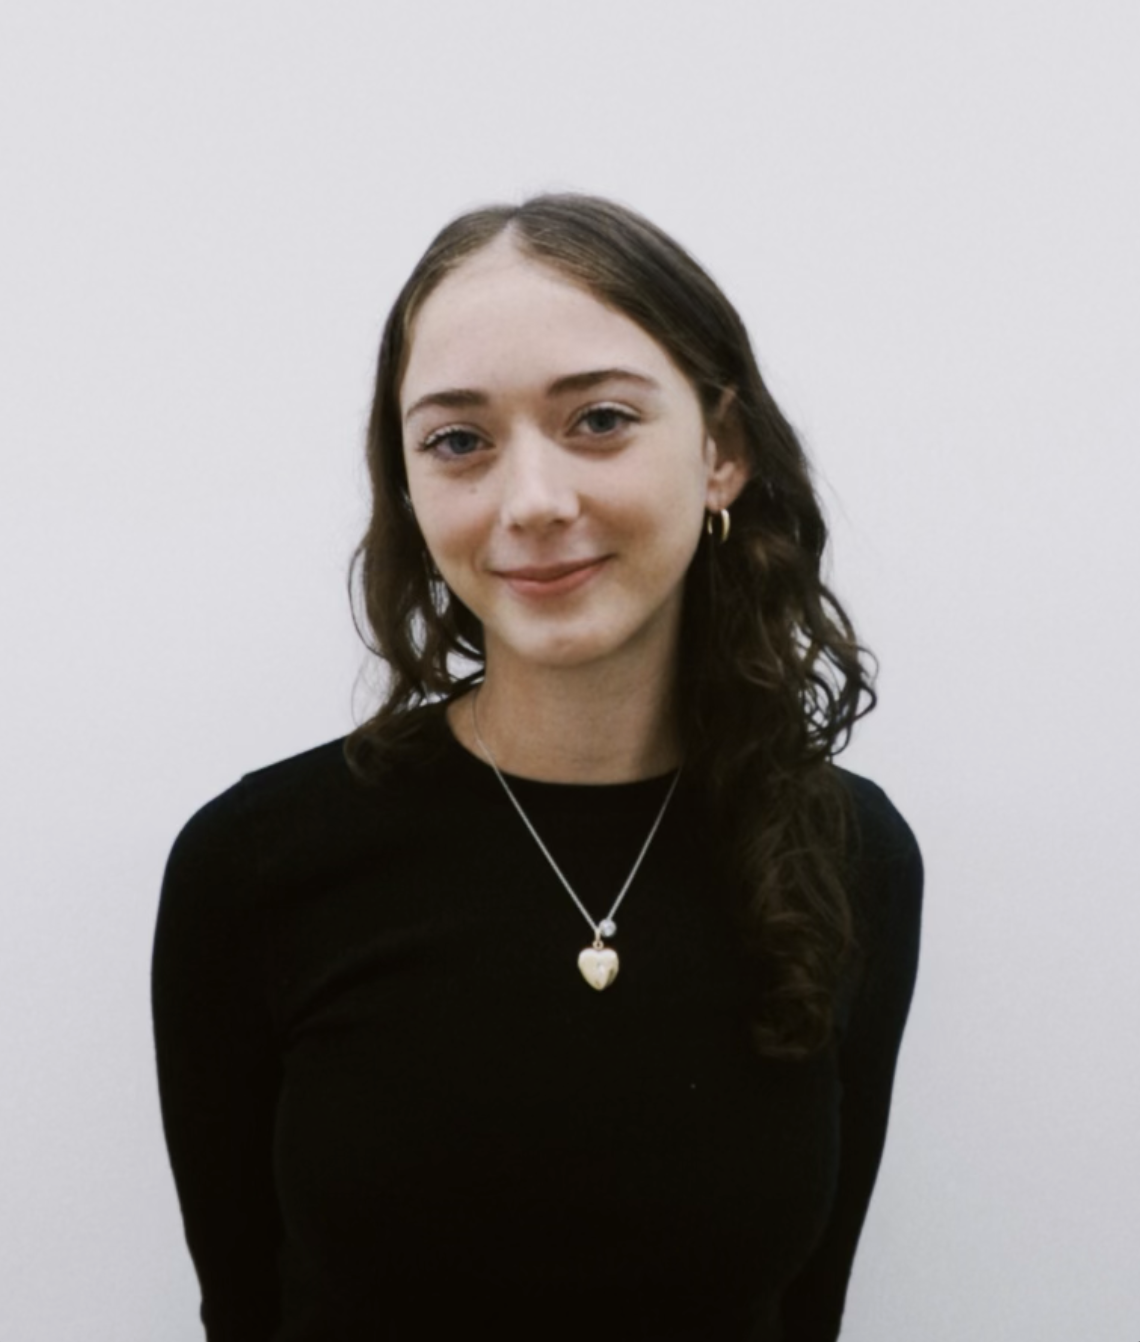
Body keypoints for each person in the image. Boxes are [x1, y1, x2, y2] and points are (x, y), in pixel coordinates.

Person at [151, 192, 923, 1342]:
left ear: (721, 451)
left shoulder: (849, 853)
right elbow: (241, 1311)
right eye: (458, 440)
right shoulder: (256, 861)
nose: (532, 502)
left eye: (599, 419)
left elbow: (803, 1311)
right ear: (410, 488)